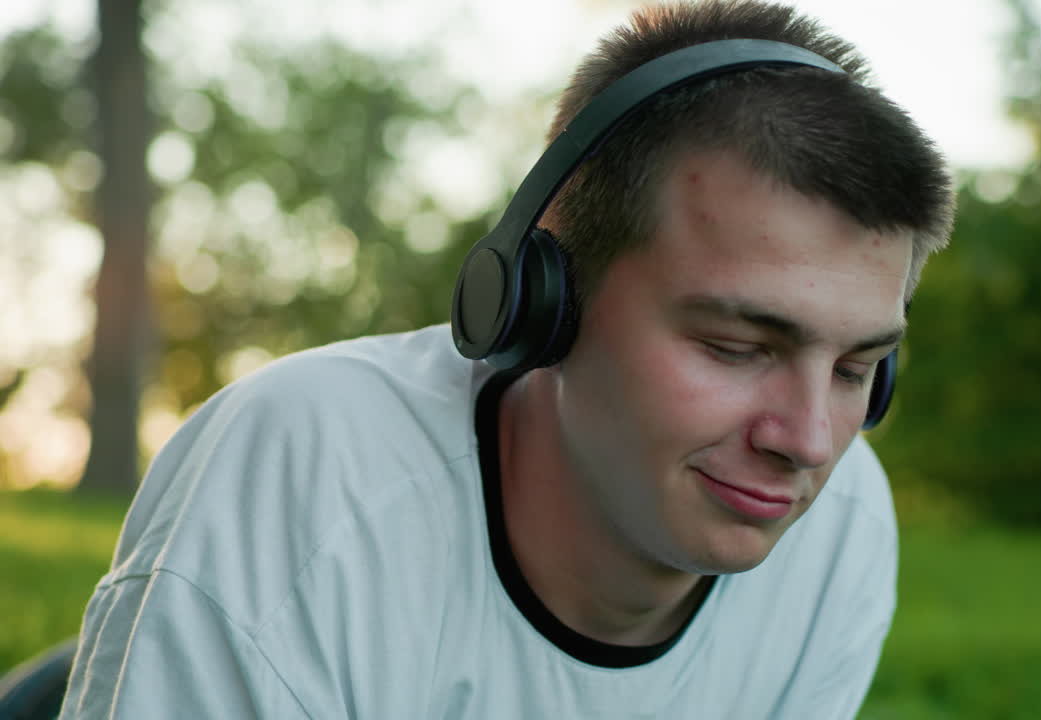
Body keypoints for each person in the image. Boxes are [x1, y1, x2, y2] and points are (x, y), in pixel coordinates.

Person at [60, 1, 953, 717]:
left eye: (855, 370)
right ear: (537, 305)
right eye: (735, 347)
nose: (808, 441)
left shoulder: (847, 533)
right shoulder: (304, 473)